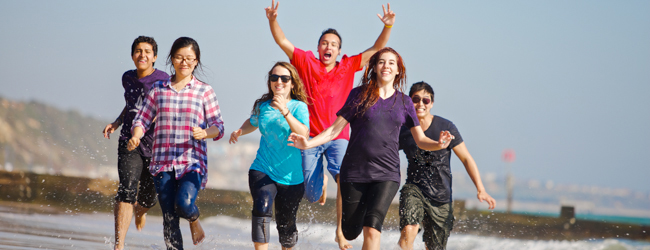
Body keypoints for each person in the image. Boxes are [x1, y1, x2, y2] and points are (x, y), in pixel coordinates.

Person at [288, 47, 454, 250]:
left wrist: (438, 144)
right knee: (350, 231)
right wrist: (308, 143)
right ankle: (352, 222)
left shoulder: (405, 102)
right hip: (355, 172)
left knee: (372, 228)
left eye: (391, 63)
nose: (386, 66)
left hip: (386, 174)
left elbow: (419, 139)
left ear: (398, 70)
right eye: (382, 62)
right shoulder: (359, 95)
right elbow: (334, 130)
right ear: (374, 67)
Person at [265, 1, 396, 248]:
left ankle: (340, 232)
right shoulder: (305, 62)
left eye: (334, 45)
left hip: (338, 136)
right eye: (325, 43)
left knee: (344, 180)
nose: (329, 47)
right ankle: (321, 183)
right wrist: (273, 20)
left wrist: (387, 26)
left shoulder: (348, 66)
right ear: (318, 47)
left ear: (339, 51)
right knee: (312, 195)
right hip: (311, 138)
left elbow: (377, 48)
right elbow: (282, 41)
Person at [128, 37, 224, 250]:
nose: (184, 62)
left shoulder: (204, 91)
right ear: (172, 59)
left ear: (196, 61)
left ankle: (194, 218)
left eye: (189, 58)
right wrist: (136, 135)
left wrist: (205, 132)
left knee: (183, 204)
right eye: (179, 57)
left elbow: (219, 126)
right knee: (169, 217)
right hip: (162, 162)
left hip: (192, 162)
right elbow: (142, 118)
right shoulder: (159, 88)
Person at [397, 82, 496, 250]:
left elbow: (466, 158)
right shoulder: (403, 129)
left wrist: (481, 188)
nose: (421, 104)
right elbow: (382, 149)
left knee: (435, 247)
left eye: (426, 100)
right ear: (409, 102)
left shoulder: (446, 127)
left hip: (441, 196)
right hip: (414, 189)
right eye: (416, 99)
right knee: (409, 229)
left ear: (432, 103)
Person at [230, 62, 310, 250]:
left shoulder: (299, 107)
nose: (278, 81)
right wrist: (240, 131)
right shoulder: (263, 106)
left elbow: (304, 133)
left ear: (292, 83)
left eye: (284, 78)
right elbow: (253, 122)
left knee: (286, 225)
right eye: (274, 78)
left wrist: (284, 110)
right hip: (263, 168)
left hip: (292, 177)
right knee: (262, 207)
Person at [101, 36, 169, 250]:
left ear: (155, 57)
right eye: (138, 51)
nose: (142, 55)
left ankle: (140, 211)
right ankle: (119, 245)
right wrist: (117, 122)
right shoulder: (127, 78)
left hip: (156, 146)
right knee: (126, 190)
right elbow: (130, 104)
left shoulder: (163, 80)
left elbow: (163, 109)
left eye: (147, 51)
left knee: (149, 198)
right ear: (132, 56)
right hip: (129, 142)